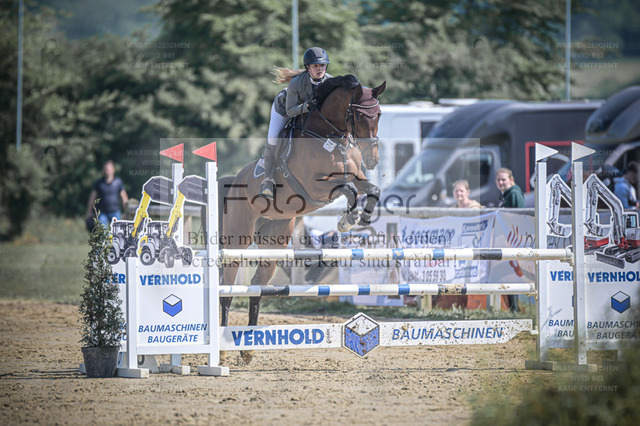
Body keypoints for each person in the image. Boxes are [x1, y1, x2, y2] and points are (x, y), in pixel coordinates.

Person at [259, 47, 333, 199]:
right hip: (284, 108)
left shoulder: (331, 82)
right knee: (273, 138)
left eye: (322, 65)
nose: (319, 69)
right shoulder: (296, 83)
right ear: (308, 67)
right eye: (315, 66)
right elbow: (291, 111)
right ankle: (268, 179)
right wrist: (307, 106)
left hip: (308, 114)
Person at [495, 168, 524, 312]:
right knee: (507, 272)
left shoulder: (514, 194)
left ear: (511, 180)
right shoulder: (504, 195)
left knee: (512, 273)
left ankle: (515, 308)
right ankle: (512, 307)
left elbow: (520, 217)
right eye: (498, 180)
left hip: (514, 239)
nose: (501, 182)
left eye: (503, 179)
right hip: (507, 238)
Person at [86, 160, 128, 228]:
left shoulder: (118, 182)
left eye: (109, 169)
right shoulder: (99, 183)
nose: (107, 171)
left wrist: (127, 211)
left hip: (115, 212)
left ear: (113, 170)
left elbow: (124, 197)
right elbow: (92, 198)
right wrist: (89, 212)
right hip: (102, 213)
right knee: (102, 232)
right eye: (105, 169)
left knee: (117, 232)